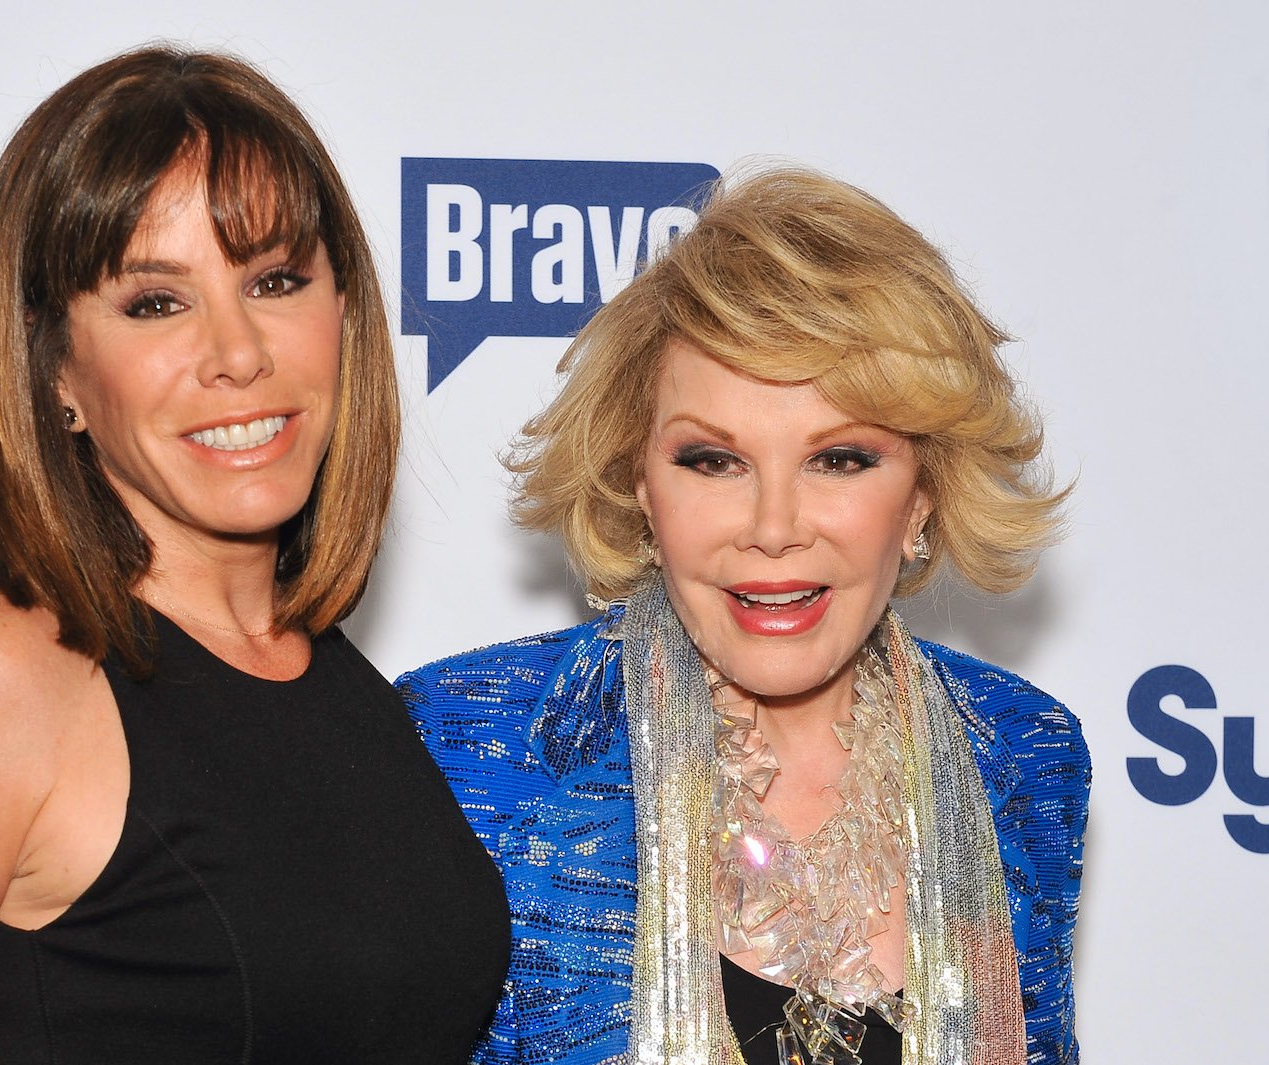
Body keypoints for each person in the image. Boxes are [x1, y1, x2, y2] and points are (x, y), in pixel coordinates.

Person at [0, 47, 508, 1065]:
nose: (238, 353)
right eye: (156, 302)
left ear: (345, 312)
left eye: (276, 280)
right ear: (55, 366)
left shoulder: (337, 684)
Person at [398, 168, 1089, 1065]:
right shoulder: (470, 748)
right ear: (640, 482)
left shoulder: (1028, 756)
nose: (773, 529)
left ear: (924, 492)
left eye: (839, 458)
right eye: (714, 460)